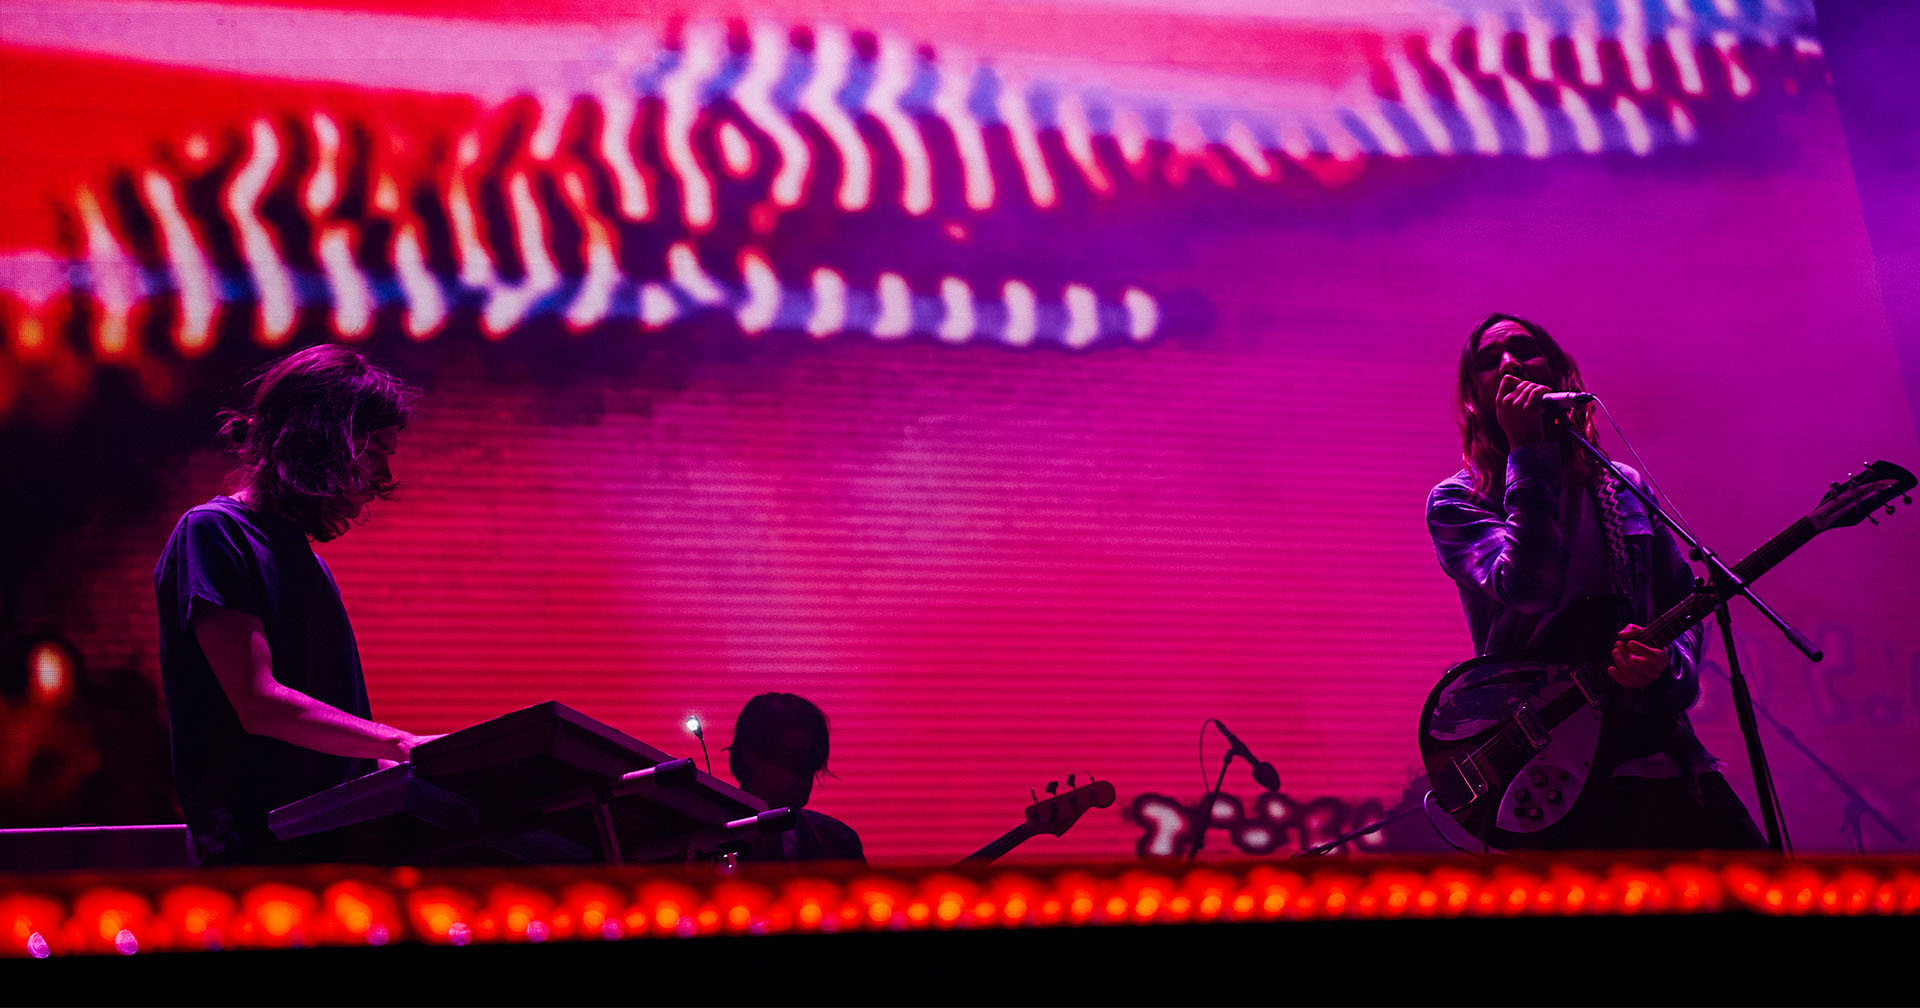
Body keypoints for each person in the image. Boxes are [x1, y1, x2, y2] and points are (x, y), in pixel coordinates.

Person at [1425, 313, 1763, 849]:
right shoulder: (1457, 501)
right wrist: (1527, 451)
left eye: (1524, 350)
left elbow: (1679, 606)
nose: (1510, 364)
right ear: (1475, 396)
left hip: (1655, 750)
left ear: (1559, 372)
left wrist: (1664, 665)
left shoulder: (1621, 484)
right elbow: (1529, 588)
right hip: (1552, 764)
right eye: (1490, 361)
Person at [154, 344, 436, 865]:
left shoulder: (309, 563)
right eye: (373, 451)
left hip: (333, 850)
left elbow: (324, 756)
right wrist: (400, 743)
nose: (382, 476)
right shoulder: (213, 532)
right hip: (259, 861)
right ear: (319, 439)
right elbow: (258, 702)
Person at [727, 692, 865, 863]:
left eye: (813, 761)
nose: (805, 772)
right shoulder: (708, 842)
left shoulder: (840, 843)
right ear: (750, 755)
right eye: (794, 757)